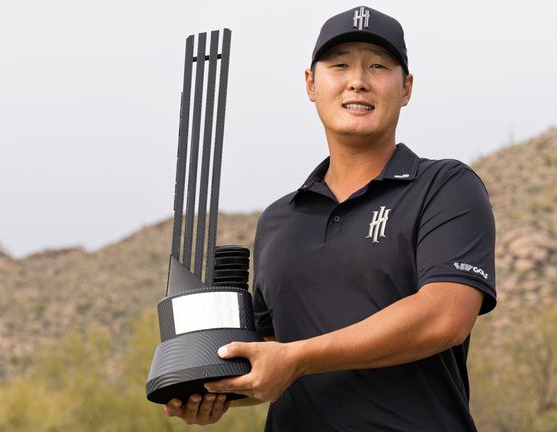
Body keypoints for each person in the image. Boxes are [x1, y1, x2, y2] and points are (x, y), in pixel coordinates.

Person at [164, 6, 496, 431]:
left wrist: (297, 359)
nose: (357, 80)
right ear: (310, 84)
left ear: (407, 87)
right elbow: (271, 352)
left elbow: (445, 316)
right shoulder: (278, 220)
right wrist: (211, 384)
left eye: (378, 66)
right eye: (339, 65)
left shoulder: (445, 186)